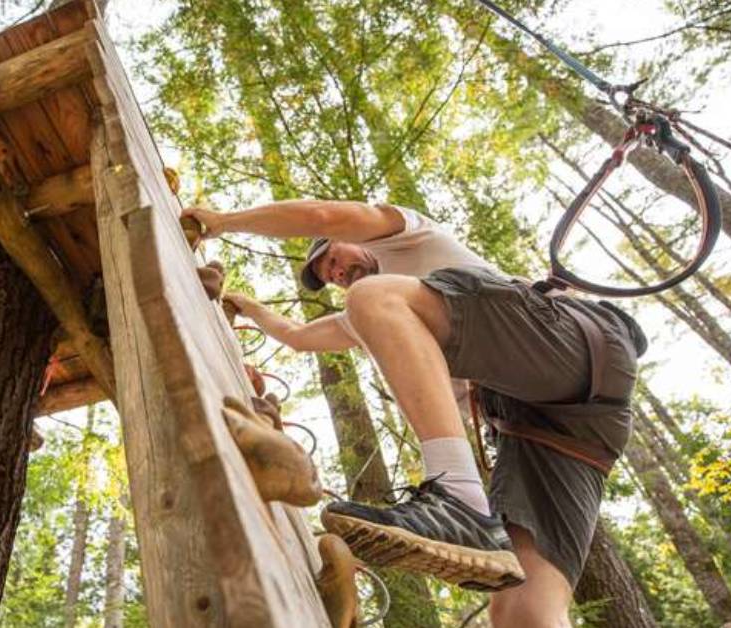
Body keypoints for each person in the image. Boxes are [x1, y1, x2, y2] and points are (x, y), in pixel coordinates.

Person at [182, 199, 645, 628]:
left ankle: (458, 495)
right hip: (561, 427)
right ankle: (466, 507)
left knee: (371, 299)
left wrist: (223, 223)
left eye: (334, 257)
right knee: (523, 610)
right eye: (329, 273)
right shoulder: (396, 308)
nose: (337, 270)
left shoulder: (407, 239)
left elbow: (323, 217)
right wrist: (245, 306)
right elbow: (300, 336)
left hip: (575, 345)